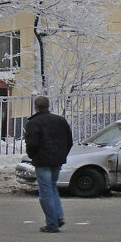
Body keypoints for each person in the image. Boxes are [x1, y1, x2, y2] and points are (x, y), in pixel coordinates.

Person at [24, 95, 73, 233]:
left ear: (36, 106)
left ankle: (52, 223)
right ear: (48, 105)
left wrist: (33, 156)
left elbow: (32, 144)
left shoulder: (34, 123)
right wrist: (62, 155)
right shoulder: (60, 120)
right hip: (57, 160)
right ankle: (58, 216)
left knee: (45, 192)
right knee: (52, 188)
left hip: (42, 161)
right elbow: (69, 141)